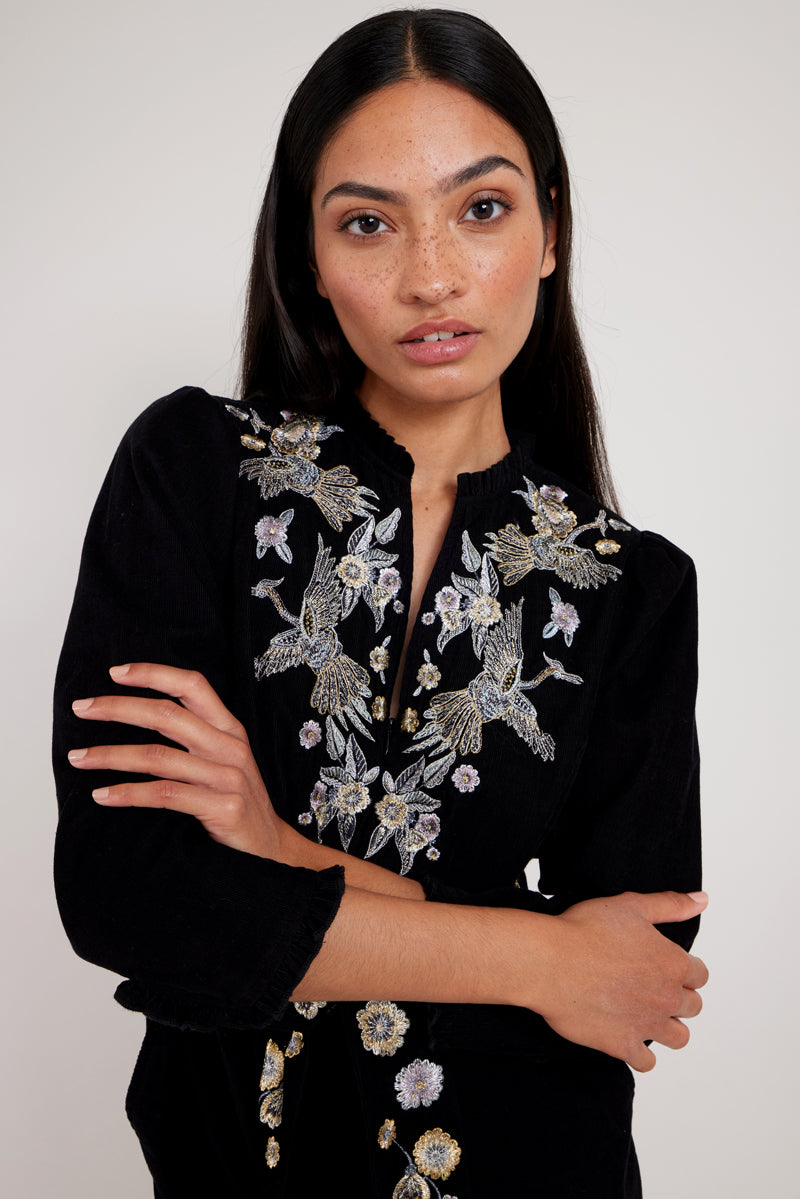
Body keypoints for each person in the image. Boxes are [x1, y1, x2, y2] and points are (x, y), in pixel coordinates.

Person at [53, 9, 707, 1197]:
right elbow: (131, 894)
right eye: (367, 221)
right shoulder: (195, 470)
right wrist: (535, 954)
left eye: (481, 208)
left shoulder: (632, 587)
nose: (430, 276)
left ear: (550, 228)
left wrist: (274, 850)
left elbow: (632, 976)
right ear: (308, 254)